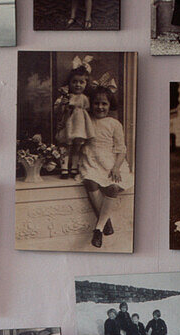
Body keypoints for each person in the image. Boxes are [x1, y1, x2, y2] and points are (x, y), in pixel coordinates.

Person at [79, 85, 133, 249]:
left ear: (110, 105)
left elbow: (121, 149)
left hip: (111, 161)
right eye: (96, 103)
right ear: (91, 104)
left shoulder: (114, 123)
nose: (100, 107)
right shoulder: (87, 120)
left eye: (104, 104)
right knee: (90, 182)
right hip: (92, 160)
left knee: (113, 187)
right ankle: (105, 220)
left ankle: (98, 228)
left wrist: (116, 167)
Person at [54, 66, 95, 179]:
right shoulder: (66, 97)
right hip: (68, 124)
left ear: (86, 84)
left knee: (77, 147)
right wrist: (63, 104)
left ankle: (74, 167)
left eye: (81, 82)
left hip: (80, 126)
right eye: (74, 82)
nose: (78, 85)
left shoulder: (84, 98)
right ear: (69, 83)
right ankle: (64, 169)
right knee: (65, 146)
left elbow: (88, 111)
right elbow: (57, 111)